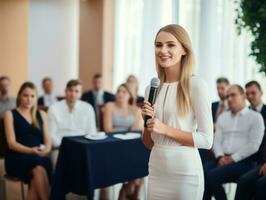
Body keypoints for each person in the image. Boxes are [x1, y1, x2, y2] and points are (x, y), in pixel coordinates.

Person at [141, 24, 213, 200]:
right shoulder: (151, 89)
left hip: (185, 174)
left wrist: (165, 129)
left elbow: (206, 140)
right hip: (157, 170)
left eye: (170, 44)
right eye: (158, 45)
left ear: (184, 50)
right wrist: (146, 123)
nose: (163, 50)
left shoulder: (196, 85)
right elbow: (149, 143)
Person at [203, 85, 265, 200]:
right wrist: (221, 156)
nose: (229, 99)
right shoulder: (223, 117)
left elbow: (254, 145)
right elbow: (217, 141)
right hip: (221, 158)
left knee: (211, 176)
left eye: (233, 95)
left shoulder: (256, 117)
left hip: (245, 161)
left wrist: (232, 158)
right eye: (227, 96)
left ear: (243, 96)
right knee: (202, 174)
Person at [4, 82, 52, 200]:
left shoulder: (41, 114)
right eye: (26, 95)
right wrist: (31, 150)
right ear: (20, 95)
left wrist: (46, 150)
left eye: (32, 96)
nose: (29, 99)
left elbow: (48, 141)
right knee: (39, 168)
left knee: (38, 169)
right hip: (17, 156)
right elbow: (11, 143)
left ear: (36, 98)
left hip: (38, 155)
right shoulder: (10, 114)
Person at [101, 83, 143, 200]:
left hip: (130, 144)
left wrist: (127, 134)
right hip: (112, 143)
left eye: (124, 92)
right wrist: (126, 133)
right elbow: (108, 129)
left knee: (139, 154)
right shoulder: (109, 106)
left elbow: (136, 130)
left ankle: (128, 186)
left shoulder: (136, 110)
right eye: (118, 91)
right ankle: (127, 187)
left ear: (130, 95)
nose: (120, 94)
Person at [48, 79, 97, 166]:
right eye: (70, 90)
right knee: (58, 167)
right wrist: (65, 146)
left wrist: (80, 146)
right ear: (65, 91)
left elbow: (91, 132)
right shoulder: (54, 108)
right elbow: (51, 134)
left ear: (81, 94)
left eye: (76, 91)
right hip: (59, 148)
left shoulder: (88, 108)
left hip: (82, 147)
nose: (73, 94)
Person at [234, 81, 266, 200]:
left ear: (261, 93)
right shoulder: (242, 114)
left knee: (256, 185)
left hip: (260, 159)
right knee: (244, 181)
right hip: (246, 157)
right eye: (248, 94)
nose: (250, 96)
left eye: (253, 93)